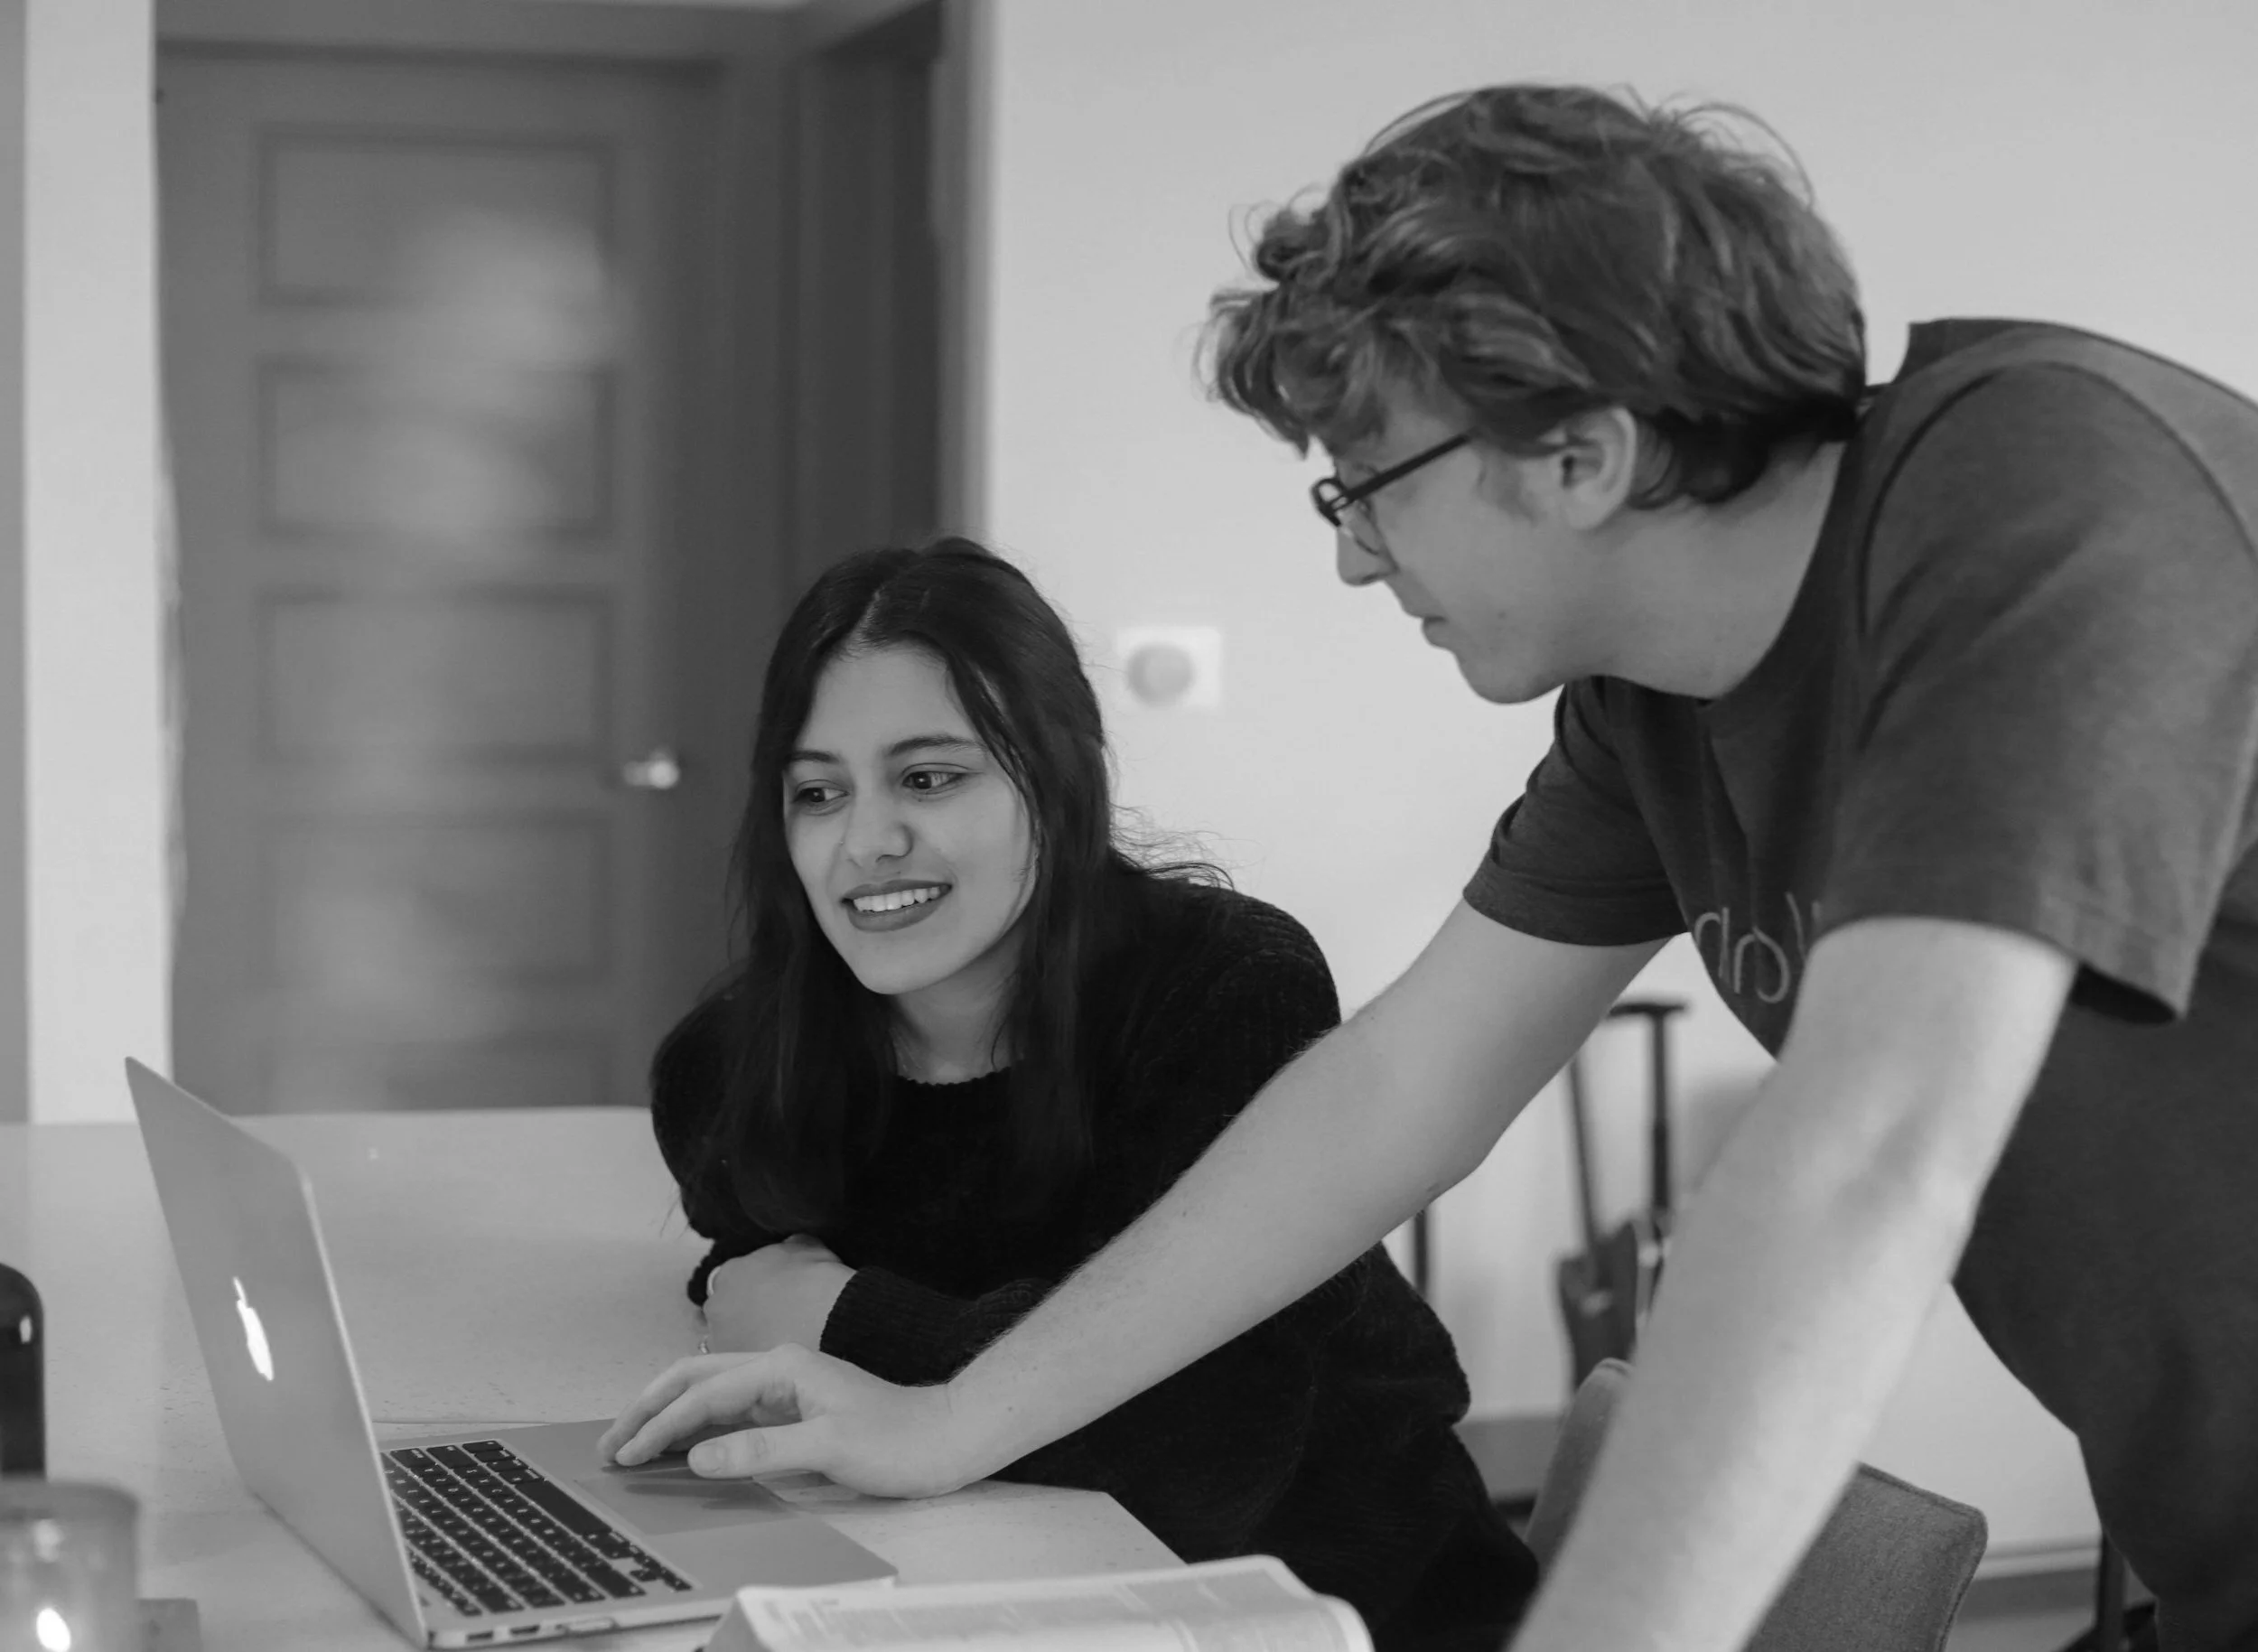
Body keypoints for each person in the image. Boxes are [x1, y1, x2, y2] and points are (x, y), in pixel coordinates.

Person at [603, 89, 2258, 1652]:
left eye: (1367, 482)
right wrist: (948, 1411)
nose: (1346, 550)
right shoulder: (1652, 707)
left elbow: (1865, 1155)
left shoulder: (2053, 497)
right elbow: (1396, 1086)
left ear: (1581, 454)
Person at [602, 539, 1533, 1648]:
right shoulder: (730, 1067)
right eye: (817, 791)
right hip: (998, 1603)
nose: (866, 840)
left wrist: (846, 1315)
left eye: (930, 776)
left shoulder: (1228, 988)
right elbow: (756, 1304)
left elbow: (1199, 1458)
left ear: (1058, 775)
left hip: (1355, 1605)